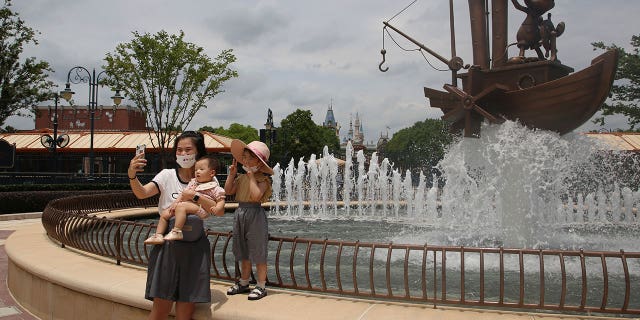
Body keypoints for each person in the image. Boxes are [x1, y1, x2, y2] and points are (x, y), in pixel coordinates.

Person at [128, 131, 223, 320]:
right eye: (179, 150)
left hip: (195, 249)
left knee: (185, 312)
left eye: (188, 149)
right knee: (160, 309)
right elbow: (142, 193)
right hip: (169, 248)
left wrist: (193, 196)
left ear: (199, 152)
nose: (183, 154)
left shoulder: (210, 181)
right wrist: (132, 175)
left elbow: (216, 210)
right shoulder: (167, 175)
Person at [224, 140, 273, 301]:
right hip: (241, 212)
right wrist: (231, 175)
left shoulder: (263, 179)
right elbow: (228, 191)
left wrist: (252, 177)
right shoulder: (241, 177)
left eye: (250, 158)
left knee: (258, 251)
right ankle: (244, 282)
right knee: (243, 250)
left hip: (255, 213)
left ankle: (261, 285)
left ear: (259, 162)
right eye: (244, 157)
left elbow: (256, 196)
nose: (245, 161)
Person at [144, 154, 226, 244]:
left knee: (182, 206)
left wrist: (218, 208)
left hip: (201, 209)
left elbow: (221, 201)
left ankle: (177, 231)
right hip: (186, 206)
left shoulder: (214, 187)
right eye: (196, 169)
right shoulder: (193, 183)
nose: (197, 172)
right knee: (165, 213)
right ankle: (158, 235)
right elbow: (183, 194)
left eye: (201, 169)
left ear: (212, 173)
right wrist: (175, 203)